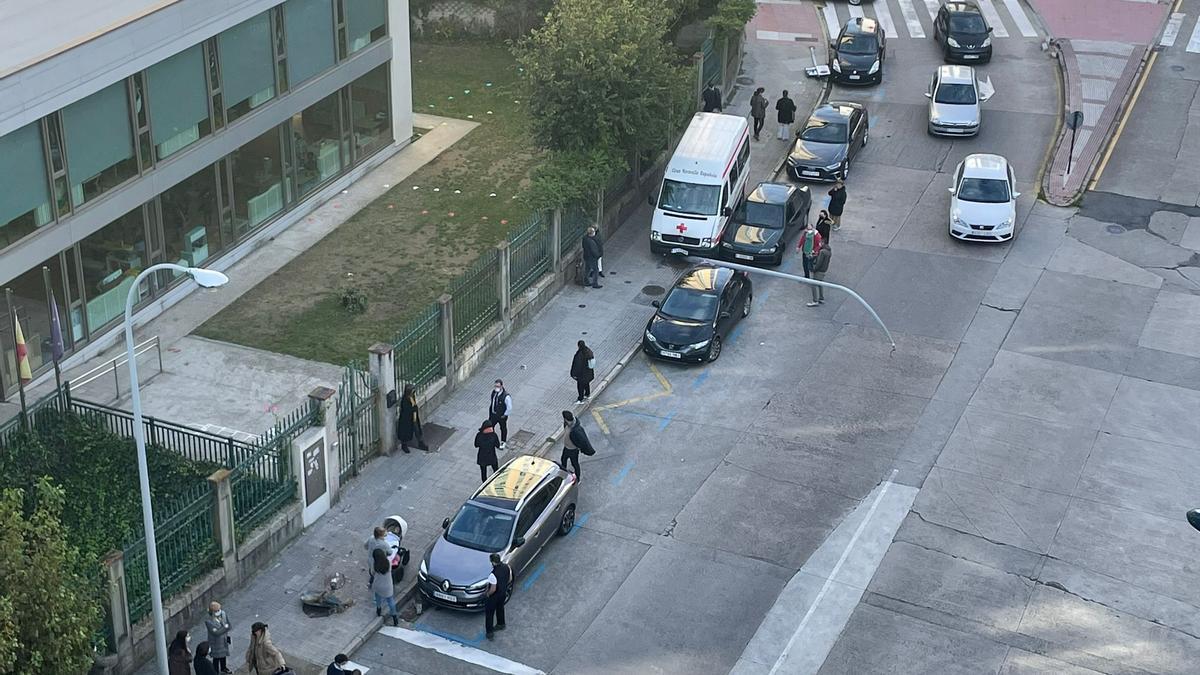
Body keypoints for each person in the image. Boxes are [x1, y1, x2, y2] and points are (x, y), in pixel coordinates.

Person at [560, 410, 596, 480]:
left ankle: (578, 478)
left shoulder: (576, 430)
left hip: (573, 450)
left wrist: (579, 448)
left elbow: (582, 441)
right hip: (566, 447)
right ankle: (563, 474)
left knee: (575, 464)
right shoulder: (567, 424)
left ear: (566, 419)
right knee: (563, 459)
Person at [484, 552, 512, 640]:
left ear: (492, 562)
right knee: (500, 608)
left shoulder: (493, 574)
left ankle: (489, 633)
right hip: (503, 593)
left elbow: (493, 588)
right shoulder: (507, 567)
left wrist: (487, 594)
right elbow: (510, 578)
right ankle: (501, 624)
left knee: (489, 613)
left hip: (494, 596)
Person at [797, 222, 824, 307]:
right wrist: (799, 246)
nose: (807, 228)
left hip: (811, 253)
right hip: (805, 252)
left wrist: (814, 251)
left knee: (810, 266)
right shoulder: (806, 233)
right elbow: (802, 239)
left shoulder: (816, 235)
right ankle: (806, 277)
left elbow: (819, 245)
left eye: (809, 226)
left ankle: (812, 277)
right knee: (805, 265)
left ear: (812, 227)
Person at [371, 547, 400, 626]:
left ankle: (379, 609)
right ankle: (394, 617)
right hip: (387, 586)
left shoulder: (375, 565)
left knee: (378, 597)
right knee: (390, 601)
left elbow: (372, 573)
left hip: (378, 585)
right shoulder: (388, 562)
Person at [396, 384, 428, 453]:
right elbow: (407, 410)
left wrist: (414, 411)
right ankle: (404, 445)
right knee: (405, 433)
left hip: (414, 417)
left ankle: (420, 443)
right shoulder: (404, 400)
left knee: (417, 430)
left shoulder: (412, 397)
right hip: (406, 420)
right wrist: (414, 408)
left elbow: (414, 405)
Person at [203, 601, 233, 674]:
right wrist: (225, 627)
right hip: (215, 642)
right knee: (216, 658)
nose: (219, 611)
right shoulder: (209, 621)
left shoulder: (223, 614)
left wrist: (224, 628)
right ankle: (215, 671)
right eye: (217, 611)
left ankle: (224, 668)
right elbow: (216, 633)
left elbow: (229, 625)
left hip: (224, 639)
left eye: (219, 610)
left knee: (224, 655)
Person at [488, 379, 512, 449]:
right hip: (493, 415)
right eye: (495, 386)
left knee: (503, 428)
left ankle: (503, 441)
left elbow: (509, 407)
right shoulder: (494, 392)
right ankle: (492, 440)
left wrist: (505, 415)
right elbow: (492, 402)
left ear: (501, 386)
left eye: (498, 386)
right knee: (490, 427)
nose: (496, 388)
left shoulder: (506, 396)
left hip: (501, 416)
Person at [811, 238, 832, 306]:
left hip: (819, 271)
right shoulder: (828, 251)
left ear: (823, 243)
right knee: (820, 284)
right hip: (824, 270)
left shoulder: (822, 252)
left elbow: (819, 262)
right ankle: (821, 298)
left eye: (820, 242)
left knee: (813, 284)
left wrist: (814, 269)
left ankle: (815, 300)